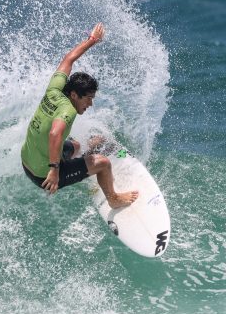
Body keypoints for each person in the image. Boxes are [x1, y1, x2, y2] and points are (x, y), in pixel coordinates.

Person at [20, 23, 138, 209]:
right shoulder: (68, 110)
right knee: (104, 163)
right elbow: (54, 134)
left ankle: (85, 158)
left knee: (75, 145)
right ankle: (113, 199)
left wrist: (92, 40)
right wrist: (54, 171)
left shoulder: (55, 88)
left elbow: (69, 59)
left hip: (26, 161)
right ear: (74, 95)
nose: (90, 104)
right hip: (43, 176)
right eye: (88, 98)